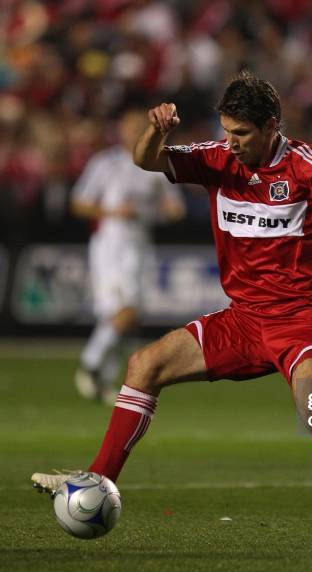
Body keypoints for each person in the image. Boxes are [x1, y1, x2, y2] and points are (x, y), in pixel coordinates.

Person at [32, 72, 312, 554]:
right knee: (144, 364)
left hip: (305, 317)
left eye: (242, 134)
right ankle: (97, 480)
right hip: (244, 318)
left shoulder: (304, 162)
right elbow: (146, 159)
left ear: (272, 125)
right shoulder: (216, 158)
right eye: (226, 131)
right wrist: (157, 131)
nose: (231, 143)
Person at [71, 109, 185, 404]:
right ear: (119, 130)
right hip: (111, 244)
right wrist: (112, 212)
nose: (134, 132)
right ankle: (90, 364)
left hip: (141, 245)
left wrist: (165, 211)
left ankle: (103, 382)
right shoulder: (105, 163)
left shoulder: (155, 163)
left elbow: (175, 208)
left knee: (127, 317)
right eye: (130, 126)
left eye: (140, 127)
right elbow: (79, 204)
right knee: (124, 312)